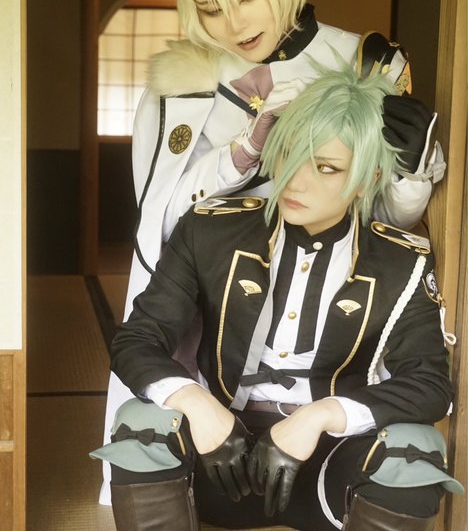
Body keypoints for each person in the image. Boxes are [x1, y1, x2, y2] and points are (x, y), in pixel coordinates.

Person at [100, 0, 446, 503]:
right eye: (210, 8)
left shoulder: (368, 64)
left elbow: (387, 223)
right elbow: (161, 221)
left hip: (332, 300)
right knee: (150, 435)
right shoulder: (180, 81)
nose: (234, 23)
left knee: (400, 458)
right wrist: (243, 151)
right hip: (212, 299)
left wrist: (413, 169)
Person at [92, 62, 461, 530]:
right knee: (140, 425)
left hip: (330, 463)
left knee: (414, 451)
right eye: (288, 154)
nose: (295, 181)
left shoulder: (400, 261)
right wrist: (197, 404)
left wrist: (320, 417)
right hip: (220, 452)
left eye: (326, 167)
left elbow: (430, 384)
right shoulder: (210, 231)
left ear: (368, 179)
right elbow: (136, 340)